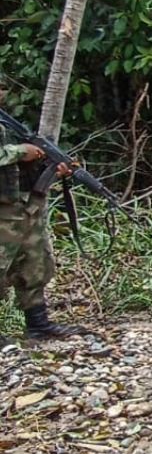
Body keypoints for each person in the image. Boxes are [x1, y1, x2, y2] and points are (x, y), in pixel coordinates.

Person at [0, 84, 74, 338]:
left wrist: (50, 167)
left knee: (34, 264)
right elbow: (14, 155)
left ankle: (38, 325)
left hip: (20, 205)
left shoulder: (6, 122)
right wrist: (20, 152)